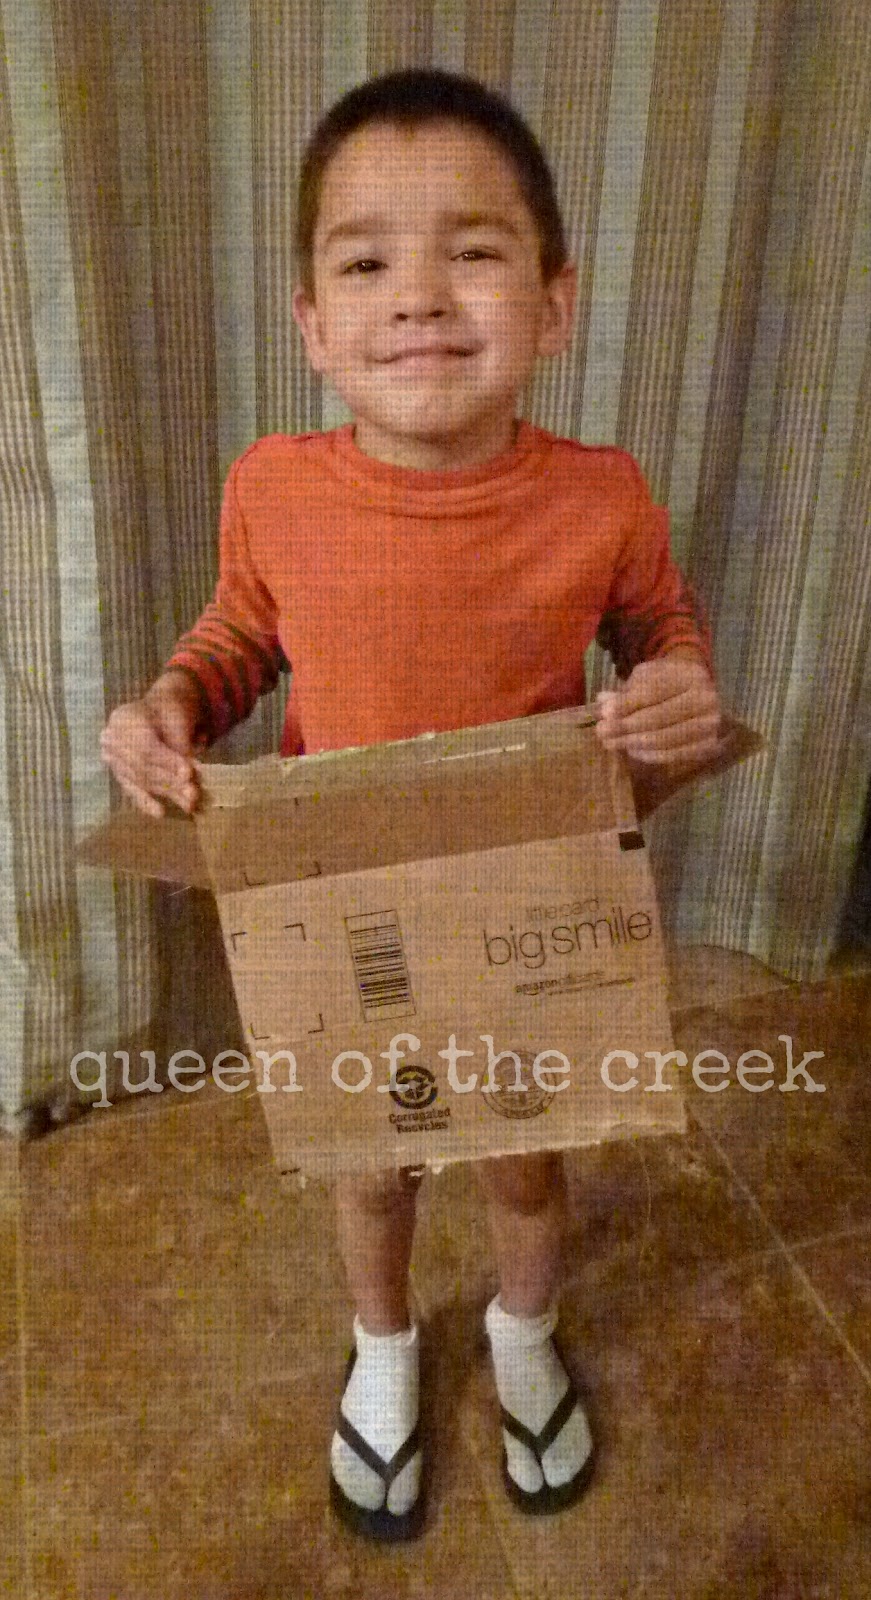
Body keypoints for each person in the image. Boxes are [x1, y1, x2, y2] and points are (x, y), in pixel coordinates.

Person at [100, 68, 722, 1543]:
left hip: (524, 890)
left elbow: (661, 632)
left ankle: (521, 1328)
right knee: (367, 1156)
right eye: (368, 262)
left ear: (555, 305)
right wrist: (175, 701)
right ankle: (382, 1344)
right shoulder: (272, 486)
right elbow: (241, 633)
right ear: (314, 325)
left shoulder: (603, 497)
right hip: (340, 898)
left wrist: (679, 683)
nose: (423, 296)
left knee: (523, 1149)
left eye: (476, 251)